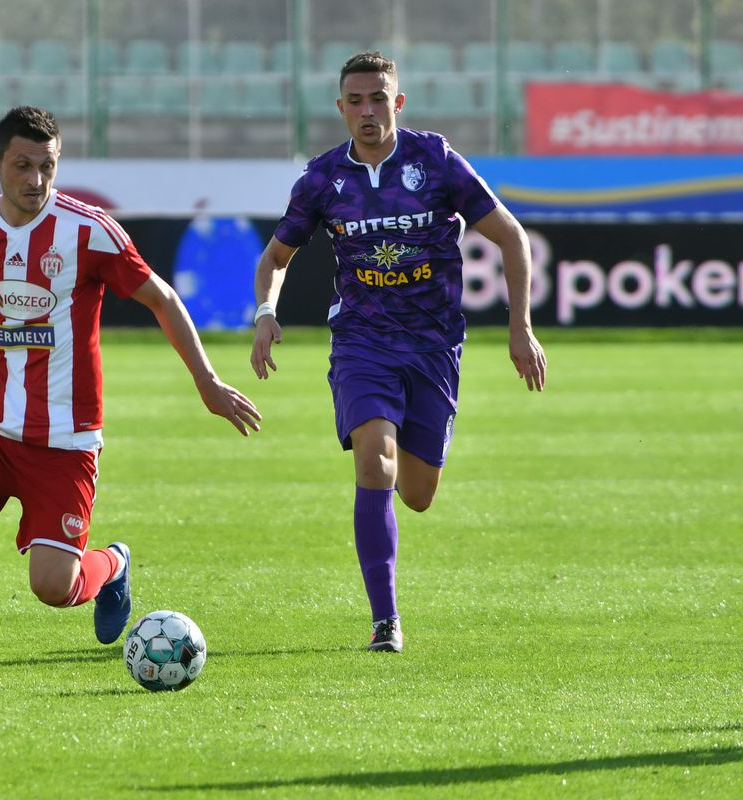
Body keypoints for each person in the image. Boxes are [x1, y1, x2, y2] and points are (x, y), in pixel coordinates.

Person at [0, 106, 261, 693]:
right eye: (22, 165)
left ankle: (113, 564)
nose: (35, 180)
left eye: (47, 166)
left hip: (66, 438)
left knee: (53, 586)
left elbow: (162, 298)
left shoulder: (88, 230)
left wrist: (207, 382)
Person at [249, 52, 546, 654]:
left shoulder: (435, 161)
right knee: (374, 462)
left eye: (378, 98)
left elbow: (511, 236)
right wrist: (265, 312)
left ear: (398, 103)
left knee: (417, 494)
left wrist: (521, 327)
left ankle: (406, 486)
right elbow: (276, 257)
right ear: (340, 108)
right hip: (361, 342)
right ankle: (385, 620)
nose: (368, 111)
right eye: (356, 101)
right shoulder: (322, 179)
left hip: (434, 345)